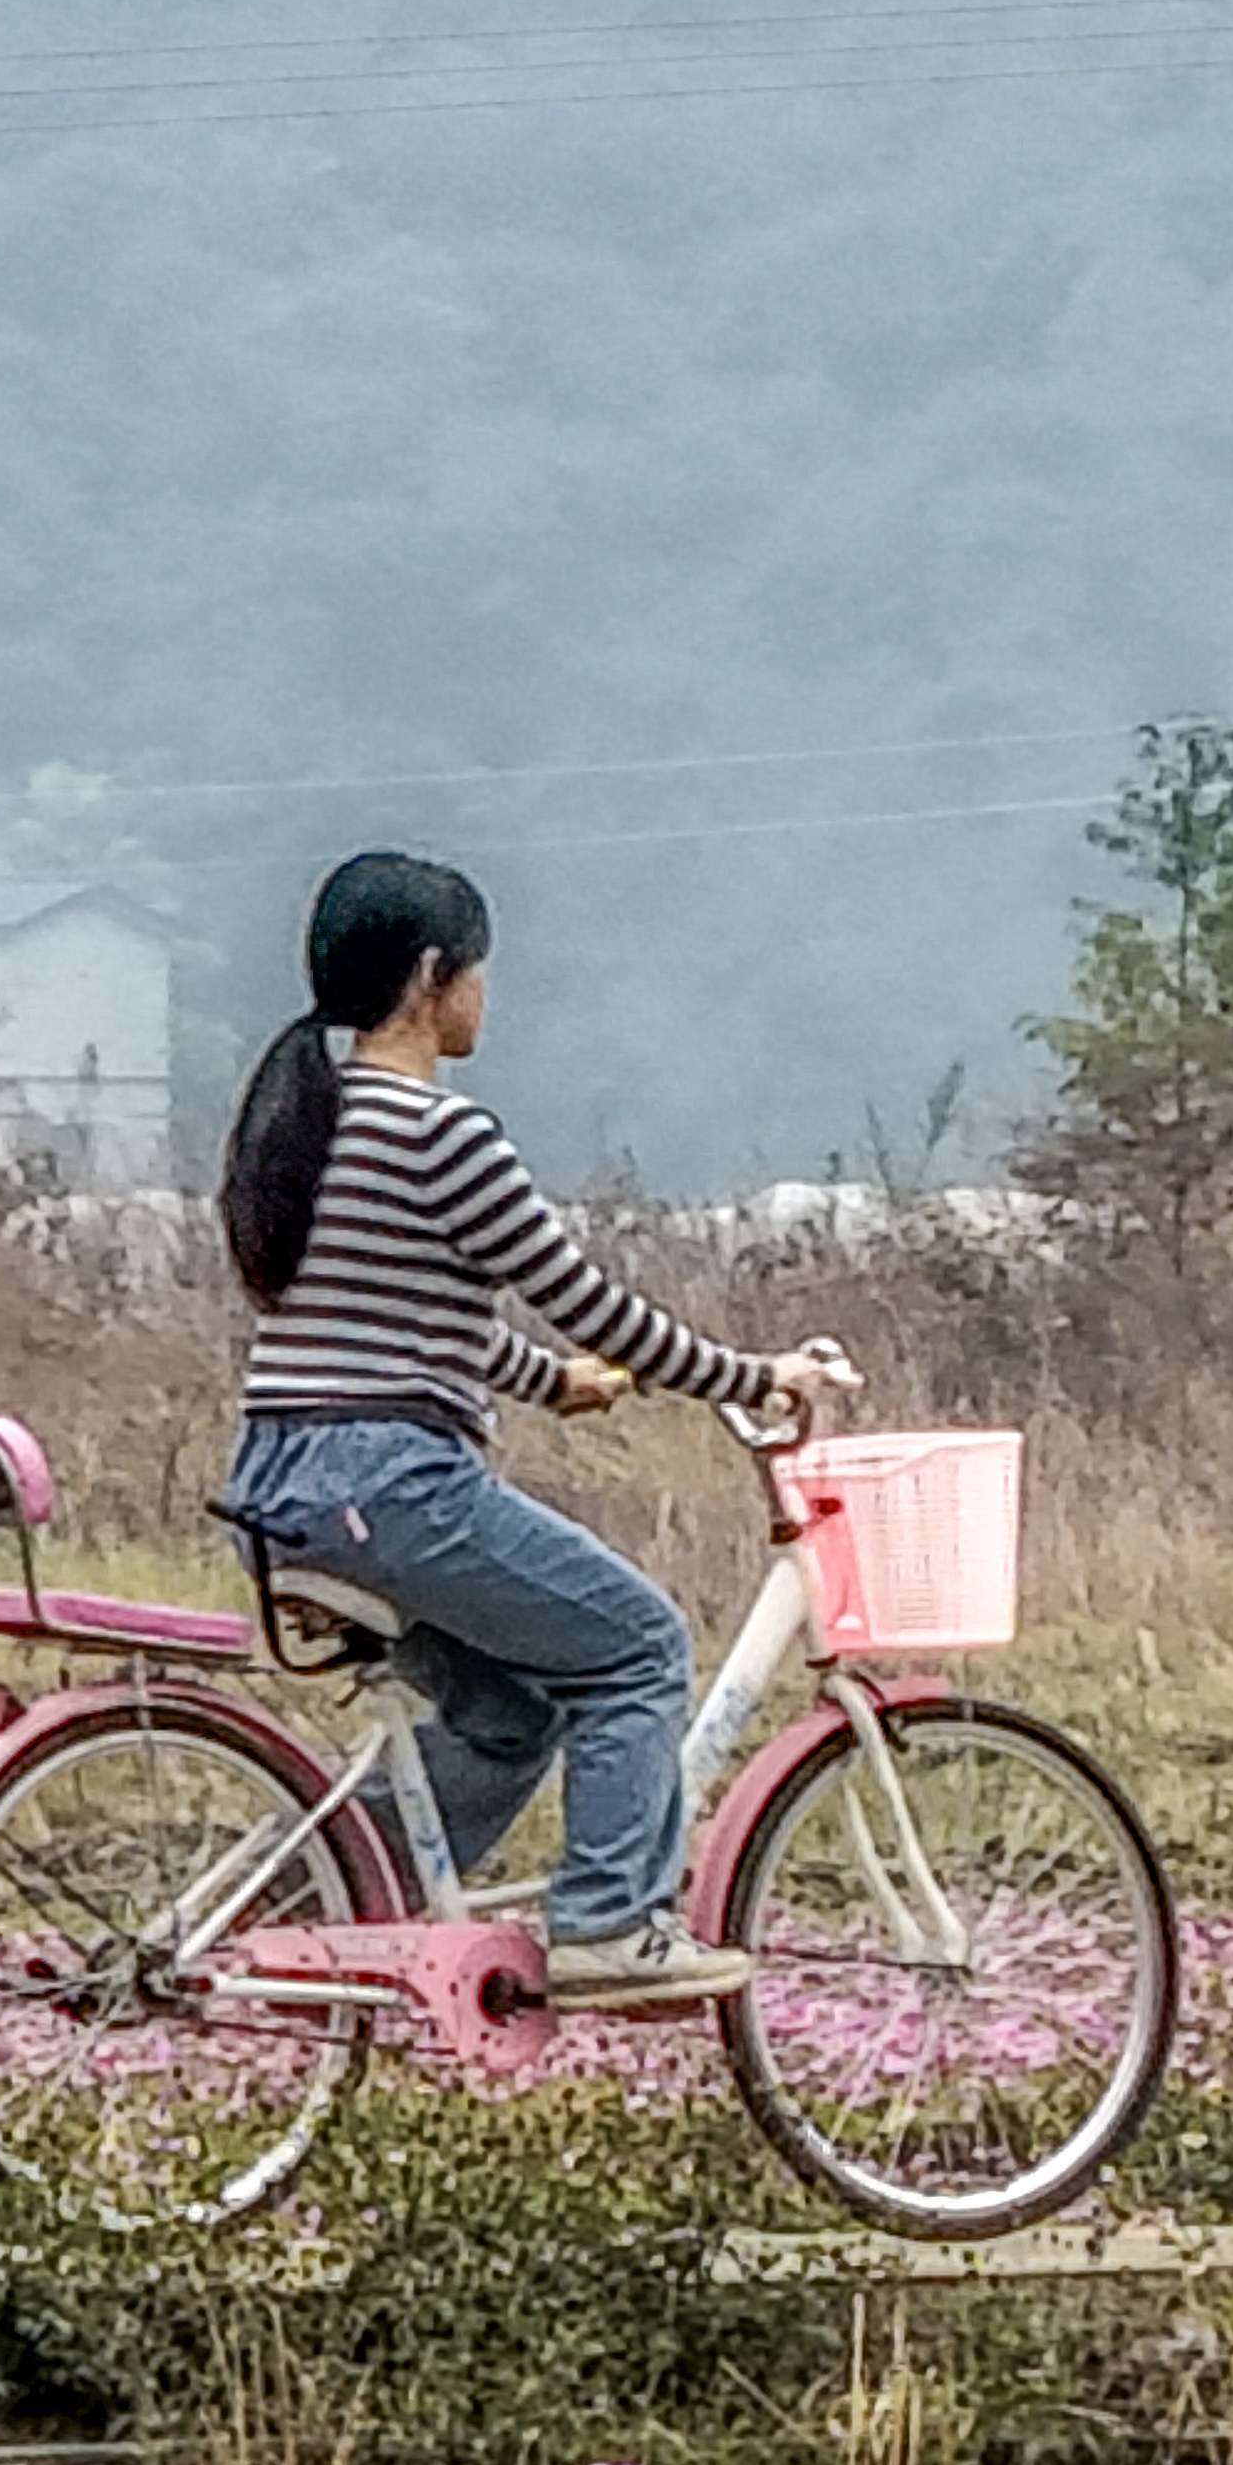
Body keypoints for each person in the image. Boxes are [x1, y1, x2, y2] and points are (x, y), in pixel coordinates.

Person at [214, 848, 850, 2008]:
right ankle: (611, 1923)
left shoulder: (309, 1124)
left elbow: (394, 1314)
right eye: (476, 970)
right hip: (389, 1486)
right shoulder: (443, 1133)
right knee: (639, 1647)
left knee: (513, 1713)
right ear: (430, 977)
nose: (483, 994)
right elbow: (585, 1298)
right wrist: (755, 1375)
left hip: (278, 1485)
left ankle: (317, 1903)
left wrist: (548, 1382)